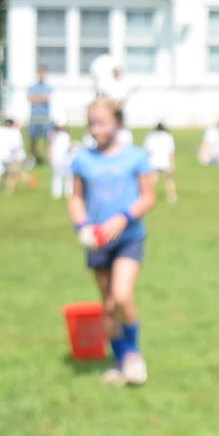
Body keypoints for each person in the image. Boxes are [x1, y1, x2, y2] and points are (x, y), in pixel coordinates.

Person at [67, 99, 156, 385]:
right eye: (92, 122)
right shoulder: (82, 159)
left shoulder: (135, 157)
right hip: (97, 242)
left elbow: (148, 196)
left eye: (102, 122)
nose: (96, 129)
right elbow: (76, 197)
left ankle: (133, 356)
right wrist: (82, 226)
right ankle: (120, 361)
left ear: (117, 123)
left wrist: (122, 218)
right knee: (107, 306)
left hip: (128, 238)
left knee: (122, 295)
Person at [144, 122, 177, 204]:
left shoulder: (151, 136)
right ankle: (171, 196)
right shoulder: (168, 137)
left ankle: (149, 195)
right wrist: (172, 163)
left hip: (153, 161)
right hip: (165, 161)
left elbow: (147, 151)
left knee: (153, 180)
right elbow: (171, 151)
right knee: (168, 179)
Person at [26, 66, 52, 165]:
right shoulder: (32, 87)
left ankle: (49, 159)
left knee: (48, 139)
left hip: (44, 117)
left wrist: (36, 98)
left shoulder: (47, 87)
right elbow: (29, 98)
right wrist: (40, 98)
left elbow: (46, 98)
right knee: (32, 139)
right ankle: (33, 158)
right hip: (34, 116)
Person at [48, 123, 74, 199]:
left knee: (68, 176)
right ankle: (57, 192)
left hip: (65, 159)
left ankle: (69, 192)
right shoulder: (53, 135)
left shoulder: (66, 136)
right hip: (56, 159)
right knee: (57, 176)